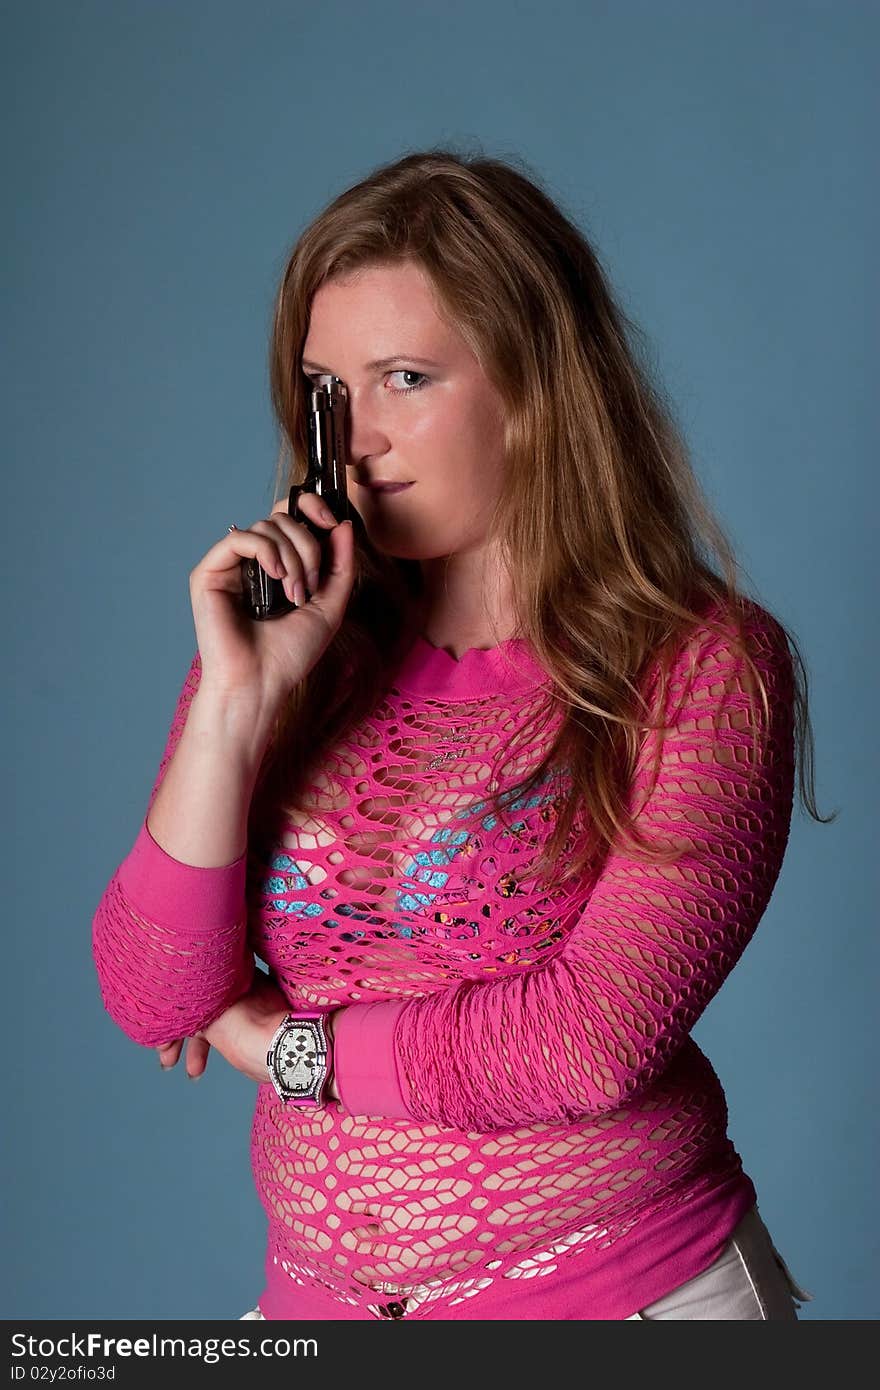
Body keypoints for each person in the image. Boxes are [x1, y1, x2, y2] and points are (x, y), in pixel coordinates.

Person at [91, 148, 825, 1321]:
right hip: (317, 1309)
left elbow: (585, 1041)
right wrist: (237, 701)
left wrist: (286, 1048)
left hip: (624, 1300)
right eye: (329, 388)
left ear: (536, 386)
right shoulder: (297, 647)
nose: (356, 439)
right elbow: (152, 991)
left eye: (405, 378)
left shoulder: (699, 664)